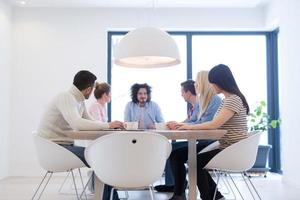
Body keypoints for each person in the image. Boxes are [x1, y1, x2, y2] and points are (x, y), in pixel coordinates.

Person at [37, 70, 123, 200]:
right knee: (102, 156)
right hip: (55, 149)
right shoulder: (66, 97)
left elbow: (89, 121)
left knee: (102, 155)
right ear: (89, 89)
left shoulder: (78, 100)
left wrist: (110, 125)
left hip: (62, 147)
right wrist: (107, 126)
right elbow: (77, 124)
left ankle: (109, 197)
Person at [169, 64, 249, 200]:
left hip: (232, 148)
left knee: (196, 161)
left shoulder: (232, 100)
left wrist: (188, 127)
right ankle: (213, 197)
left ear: (220, 81)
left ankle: (209, 197)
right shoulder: (228, 100)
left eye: (212, 82)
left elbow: (214, 124)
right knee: (186, 157)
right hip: (226, 145)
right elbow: (214, 124)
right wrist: (187, 125)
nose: (211, 85)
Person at [155, 72, 221, 193]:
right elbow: (194, 121)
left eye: (197, 82)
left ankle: (178, 187)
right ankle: (177, 186)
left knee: (178, 153)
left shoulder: (213, 100)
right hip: (202, 140)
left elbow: (205, 124)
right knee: (173, 150)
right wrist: (179, 124)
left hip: (210, 142)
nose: (195, 84)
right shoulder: (204, 101)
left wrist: (182, 125)